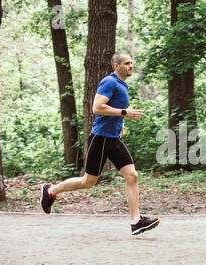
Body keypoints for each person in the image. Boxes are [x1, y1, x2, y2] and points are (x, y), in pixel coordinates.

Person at [40, 52, 160, 236]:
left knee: (132, 176)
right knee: (88, 182)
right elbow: (97, 107)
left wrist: (121, 123)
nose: (131, 66)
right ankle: (51, 190)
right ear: (116, 66)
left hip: (113, 138)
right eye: (127, 63)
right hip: (101, 138)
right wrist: (123, 113)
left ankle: (136, 221)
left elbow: (114, 109)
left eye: (132, 63)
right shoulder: (109, 82)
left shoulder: (122, 84)